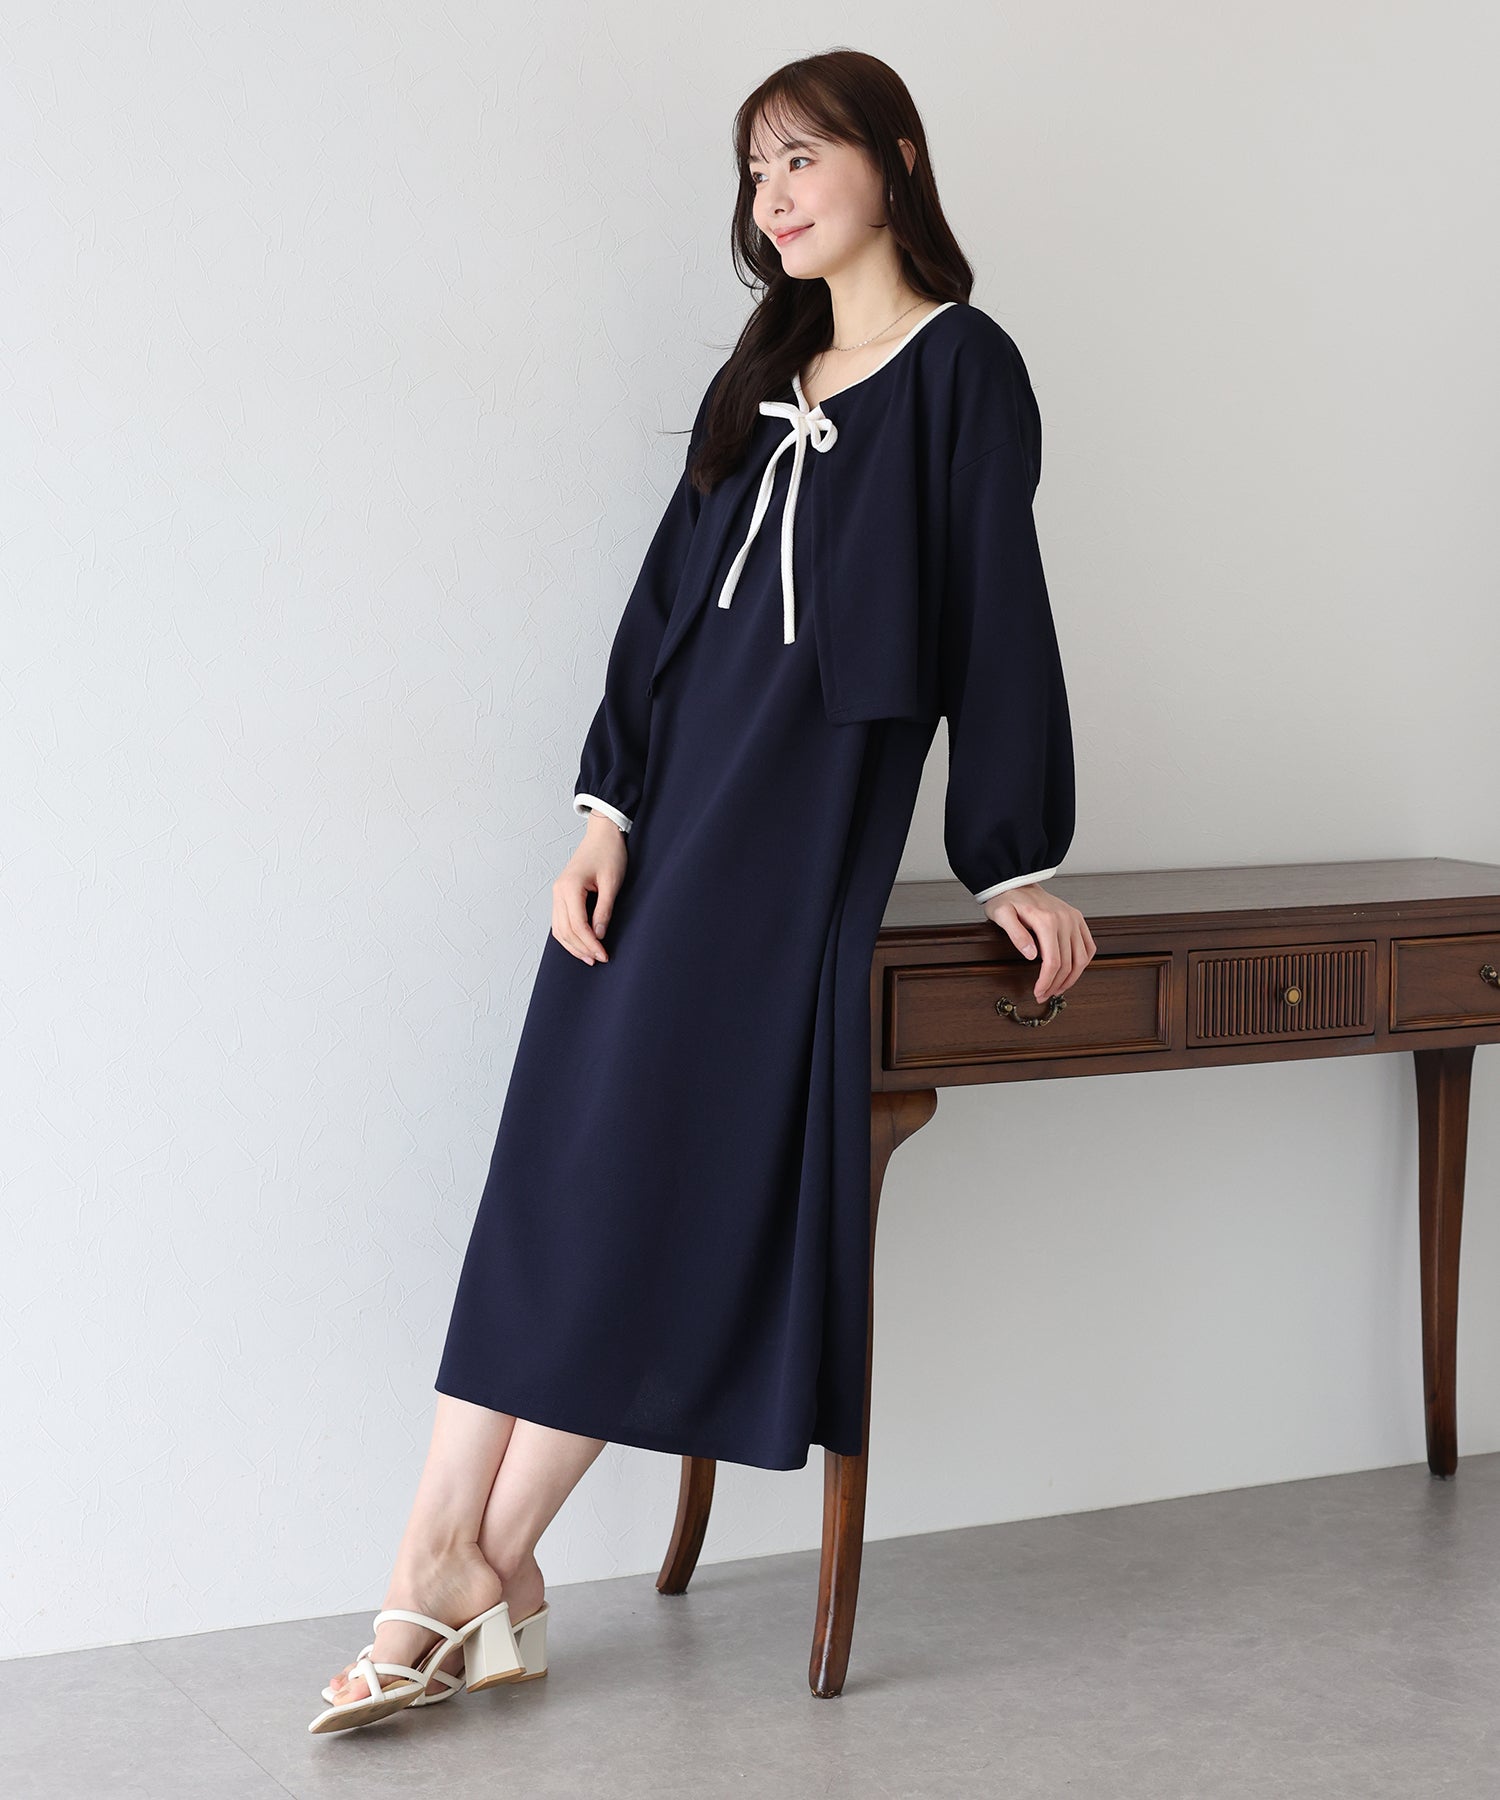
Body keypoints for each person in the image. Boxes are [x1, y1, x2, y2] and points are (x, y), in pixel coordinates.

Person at [310, 48, 1095, 1734]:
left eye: (803, 157)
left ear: (898, 158)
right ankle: (460, 1559)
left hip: (792, 848)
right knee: (558, 1174)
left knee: (653, 1195)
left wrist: (1014, 854)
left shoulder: (966, 368)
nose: (775, 195)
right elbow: (659, 606)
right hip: (664, 834)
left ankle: (462, 1565)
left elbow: (998, 610)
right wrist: (605, 811)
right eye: (756, 171)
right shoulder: (762, 374)